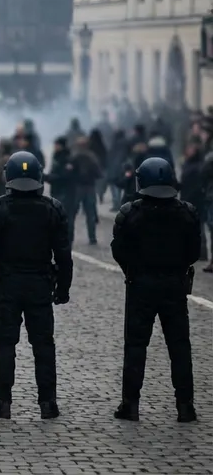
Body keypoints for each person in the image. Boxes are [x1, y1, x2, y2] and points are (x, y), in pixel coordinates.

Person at [0, 151, 72, 420]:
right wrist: (63, 287)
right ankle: (48, 403)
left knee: (5, 344)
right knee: (43, 345)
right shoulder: (53, 209)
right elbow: (63, 254)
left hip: (7, 285)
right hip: (40, 282)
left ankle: (2, 402)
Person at [110, 157, 199, 423]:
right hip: (174, 285)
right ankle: (185, 406)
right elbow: (194, 251)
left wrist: (133, 269)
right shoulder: (187, 212)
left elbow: (118, 250)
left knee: (136, 345)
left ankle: (131, 404)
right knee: (179, 347)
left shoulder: (130, 212)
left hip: (141, 285)